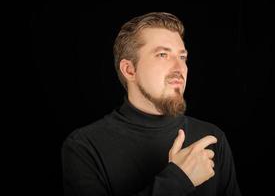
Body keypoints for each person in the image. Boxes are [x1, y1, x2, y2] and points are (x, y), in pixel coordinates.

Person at [62, 12, 242, 196]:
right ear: (129, 70)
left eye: (182, 57)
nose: (179, 69)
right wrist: (179, 180)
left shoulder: (211, 138)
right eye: (163, 54)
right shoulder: (84, 147)